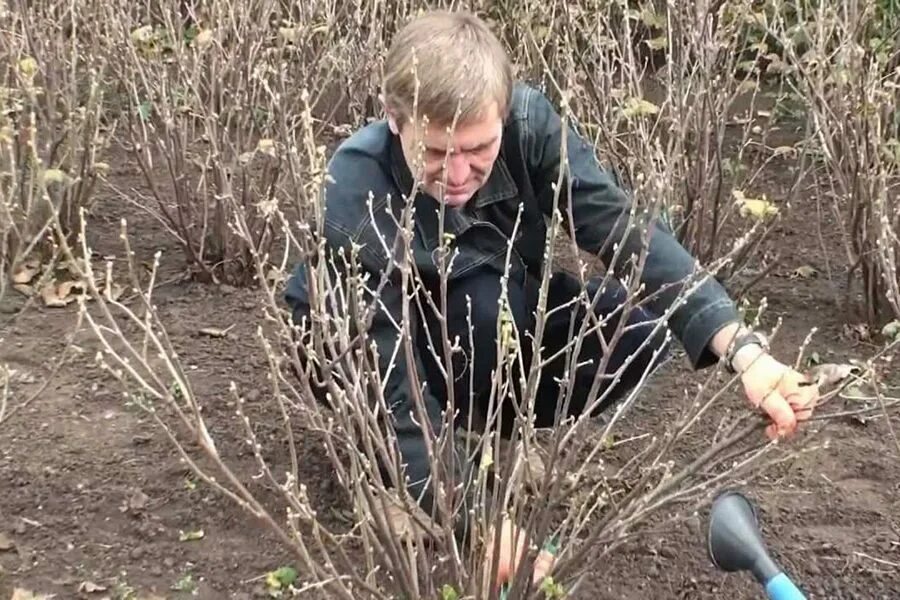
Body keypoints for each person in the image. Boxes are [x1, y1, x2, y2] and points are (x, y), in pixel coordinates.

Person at [284, 9, 820, 591]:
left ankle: (481, 437)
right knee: (480, 314)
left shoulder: (529, 125)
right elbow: (384, 375)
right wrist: (477, 522)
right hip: (374, 352)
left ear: (504, 113)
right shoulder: (355, 184)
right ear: (395, 119)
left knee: (634, 332)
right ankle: (394, 478)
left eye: (479, 148)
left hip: (487, 322)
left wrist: (745, 352)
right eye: (437, 152)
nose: (460, 173)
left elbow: (624, 231)